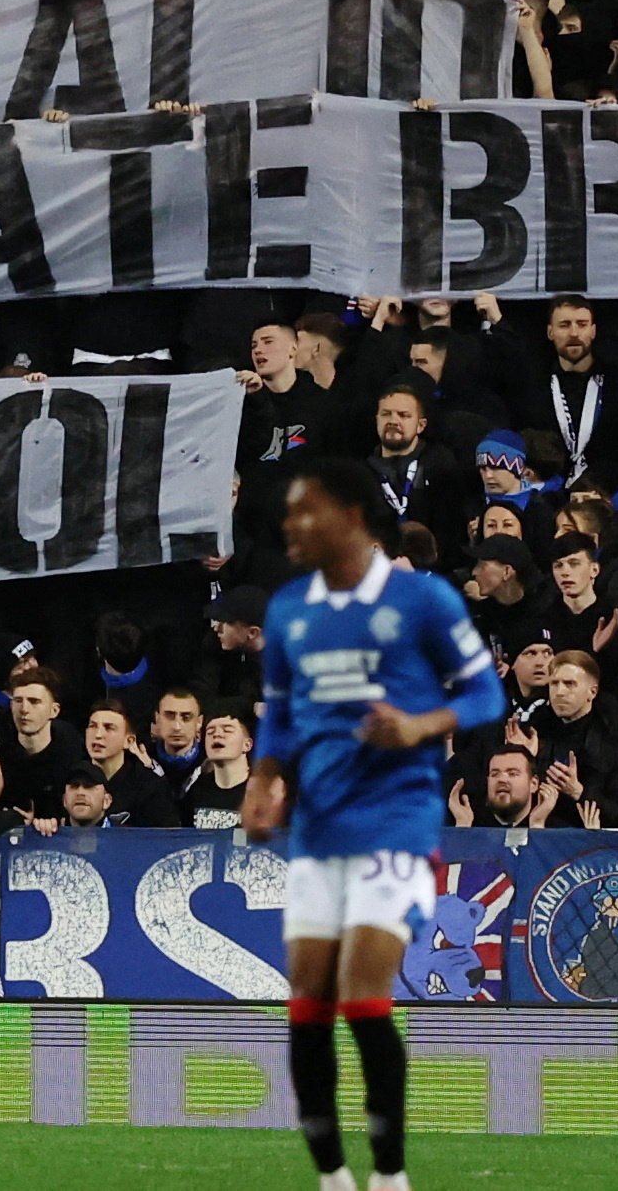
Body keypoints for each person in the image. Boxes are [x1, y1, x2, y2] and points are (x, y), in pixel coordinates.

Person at [243, 458, 506, 1191]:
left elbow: (486, 694)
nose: (291, 527)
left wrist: (421, 723)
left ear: (351, 518)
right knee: (305, 1001)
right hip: (317, 828)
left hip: (395, 819)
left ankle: (389, 1176)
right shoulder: (289, 607)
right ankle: (331, 1176)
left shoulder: (421, 600)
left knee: (361, 998)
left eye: (306, 512)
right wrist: (263, 782)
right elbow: (281, 714)